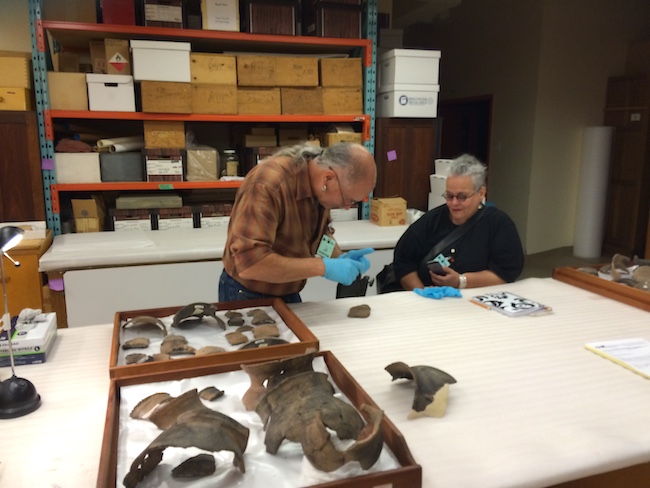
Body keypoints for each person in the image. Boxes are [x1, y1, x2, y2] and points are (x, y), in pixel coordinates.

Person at [219, 141, 377, 303]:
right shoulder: (268, 184)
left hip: (287, 290)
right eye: (348, 200)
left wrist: (338, 257)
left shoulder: (321, 188)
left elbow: (319, 235)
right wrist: (324, 267)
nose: (346, 207)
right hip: (247, 292)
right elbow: (249, 264)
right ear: (328, 179)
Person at [393, 154, 524, 291]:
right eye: (449, 196)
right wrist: (422, 294)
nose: (454, 203)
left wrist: (461, 281)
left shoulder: (500, 225)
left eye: (462, 197)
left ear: (481, 193)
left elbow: (506, 273)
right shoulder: (431, 220)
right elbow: (403, 260)